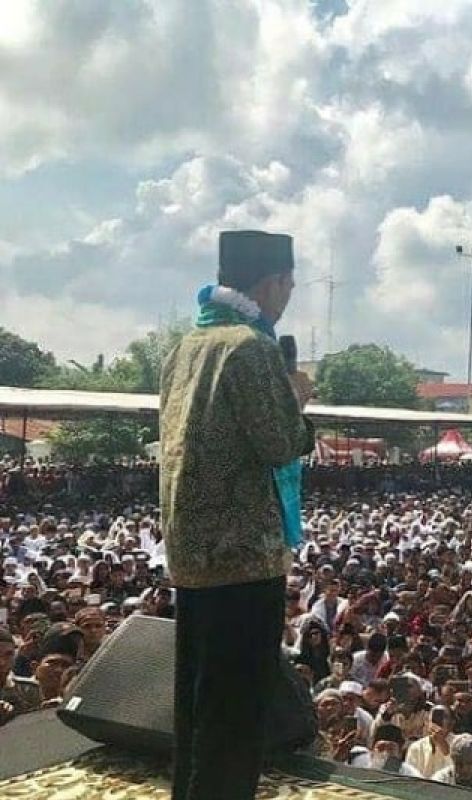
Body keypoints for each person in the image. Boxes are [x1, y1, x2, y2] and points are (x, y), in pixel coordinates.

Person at [160, 229, 315, 800]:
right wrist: (297, 402)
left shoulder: (185, 348)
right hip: (244, 554)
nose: (291, 293)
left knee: (197, 706)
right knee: (235, 714)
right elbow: (280, 442)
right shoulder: (251, 349)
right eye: (290, 282)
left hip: (192, 552)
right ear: (272, 281)